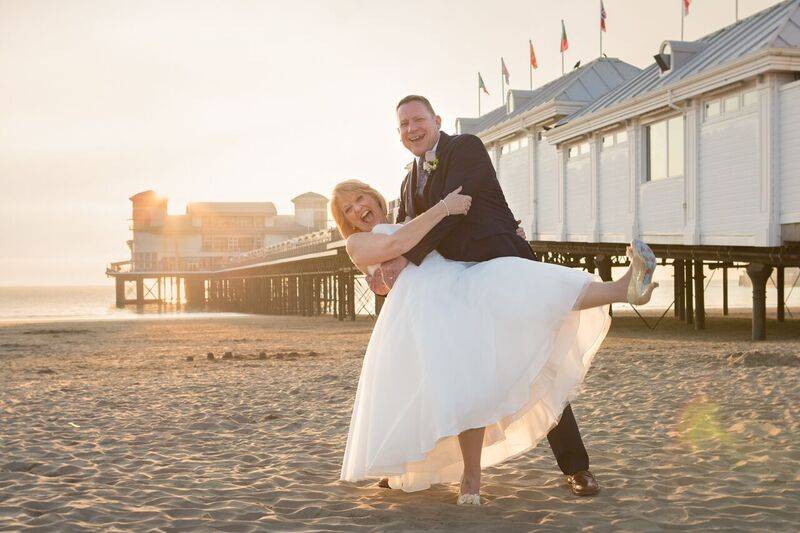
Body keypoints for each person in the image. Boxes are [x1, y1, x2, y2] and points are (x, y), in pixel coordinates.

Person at [334, 177, 657, 504]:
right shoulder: (358, 243)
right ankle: (456, 474)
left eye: (361, 198)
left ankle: (621, 289)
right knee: (451, 393)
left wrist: (504, 237)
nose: (359, 208)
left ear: (374, 196)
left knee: (530, 284)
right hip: (427, 310)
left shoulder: (410, 220)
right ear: (345, 221)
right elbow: (396, 247)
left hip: (461, 283)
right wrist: (444, 208)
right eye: (349, 209)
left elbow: (456, 235)